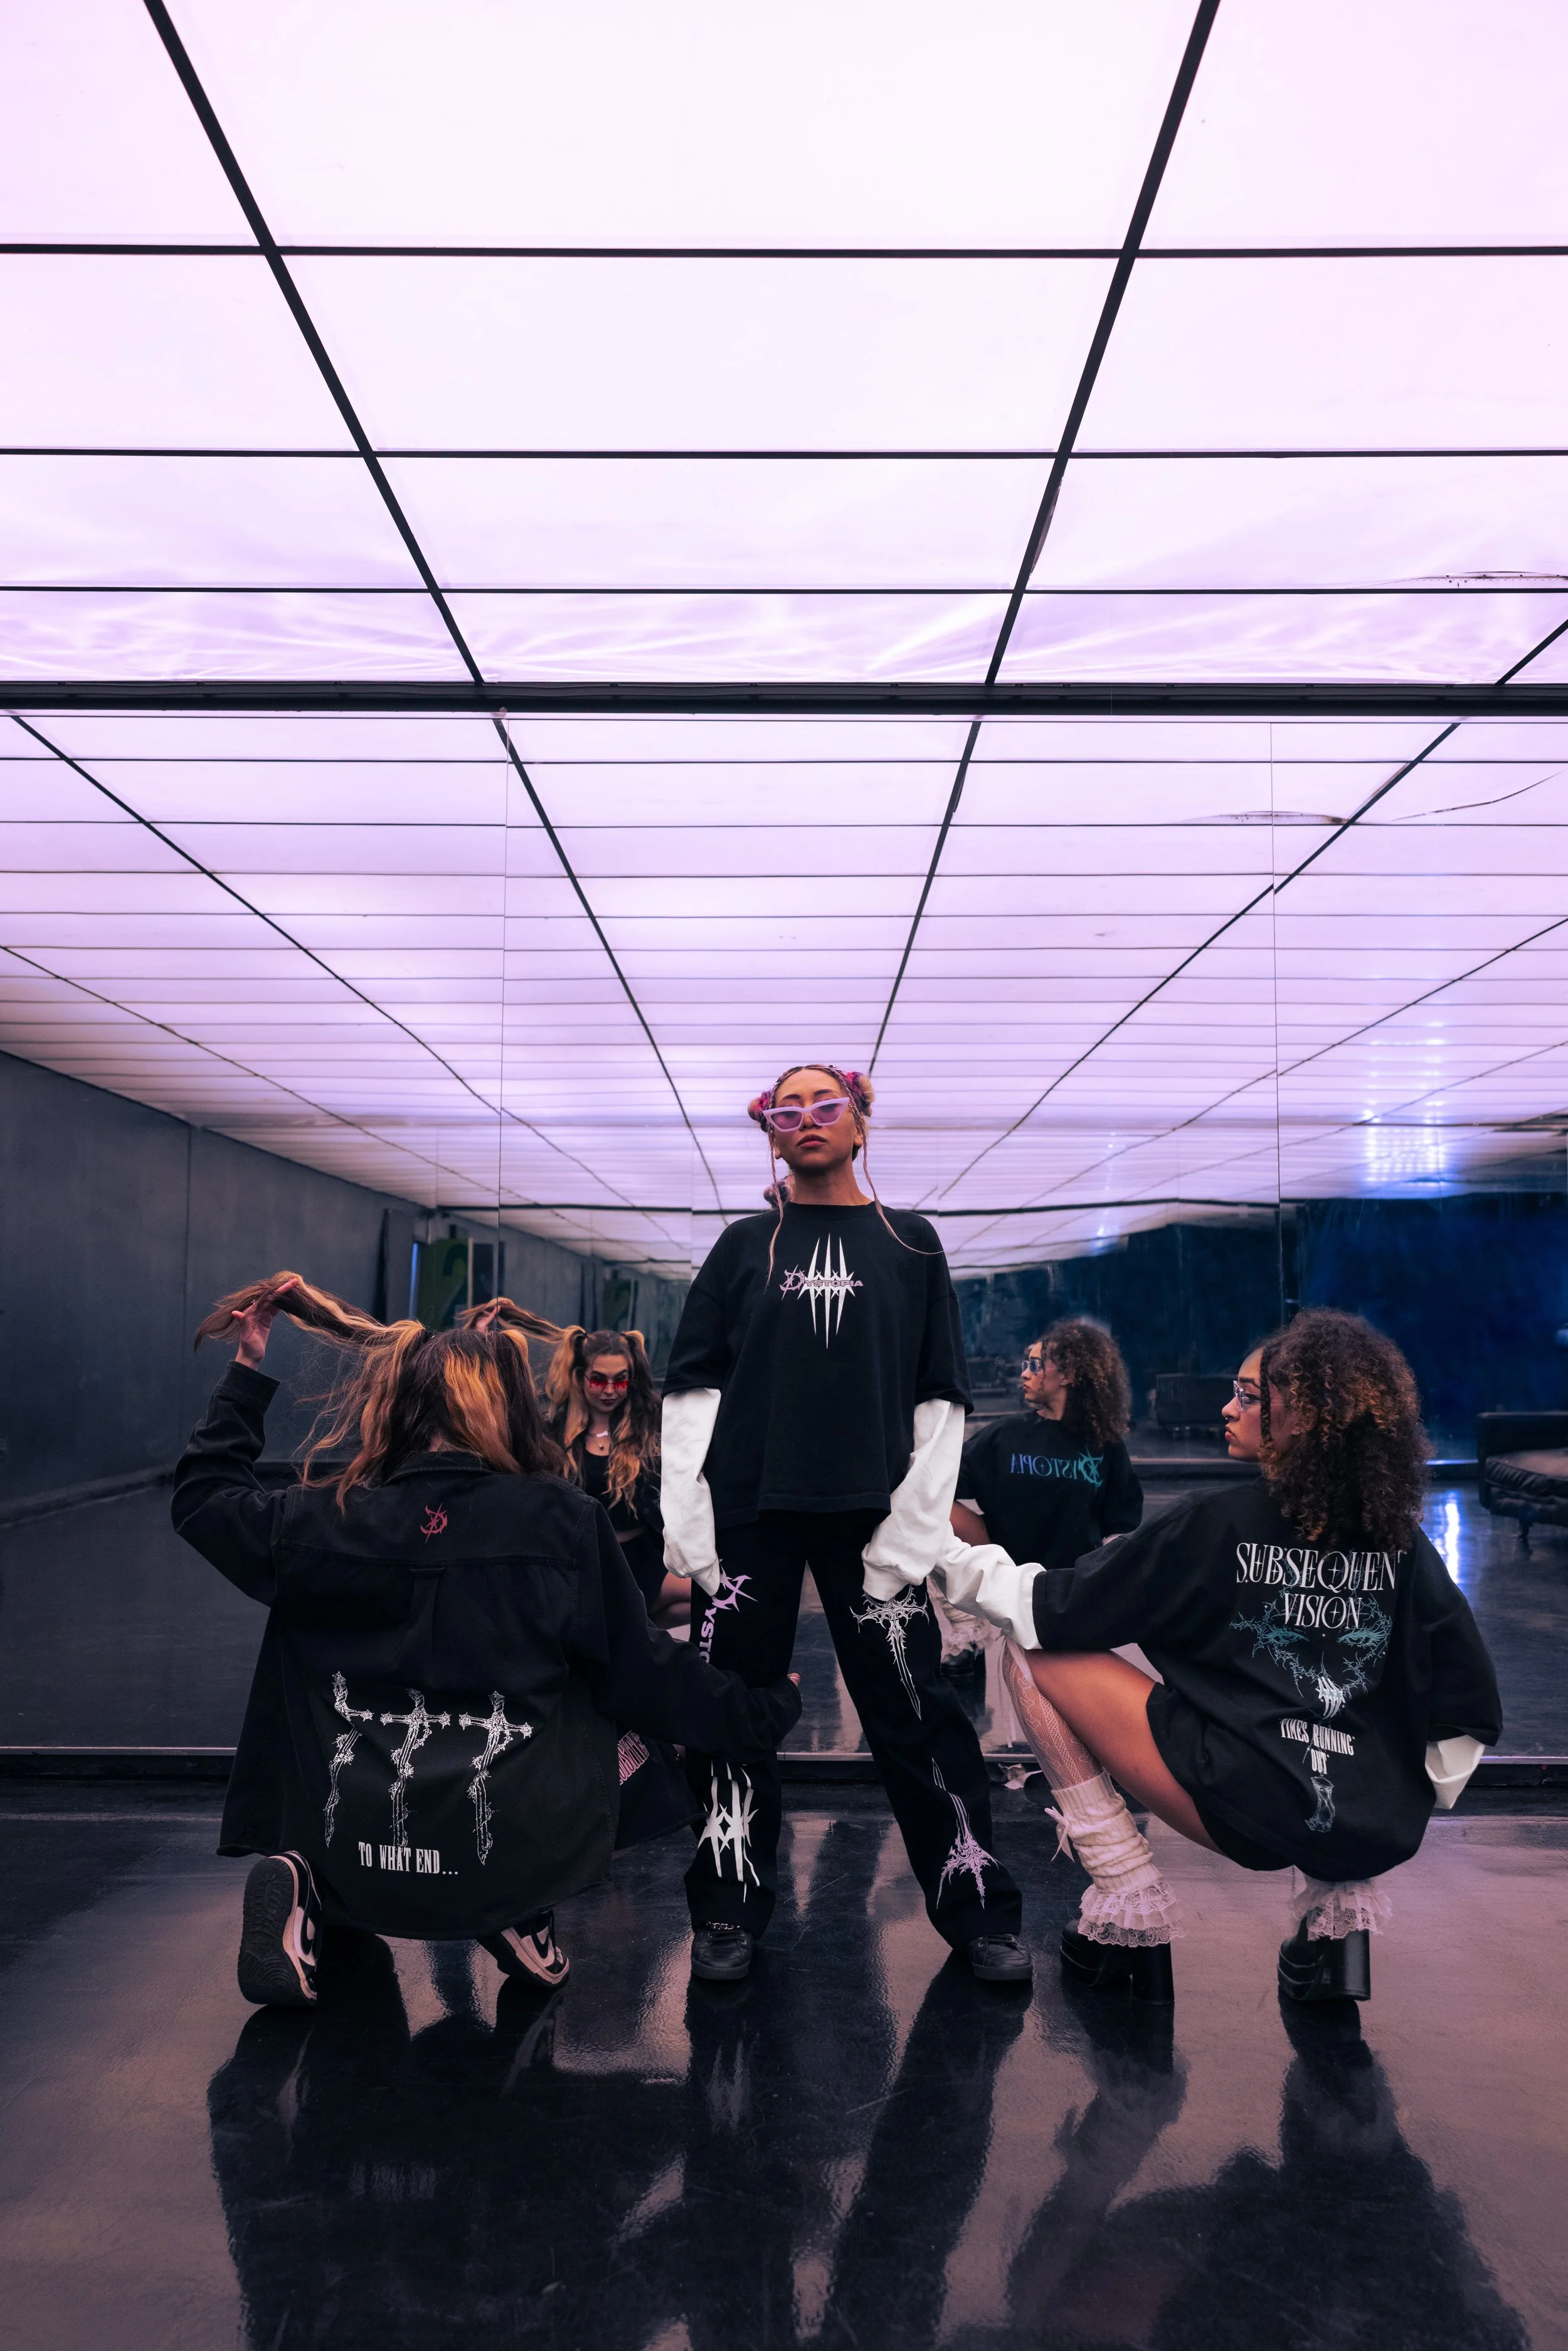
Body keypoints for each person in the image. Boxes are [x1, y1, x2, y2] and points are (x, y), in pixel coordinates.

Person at [171, 1273, 801, 2010]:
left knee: (333, 1719)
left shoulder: (325, 1517)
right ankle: (516, 1902)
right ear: (509, 1406)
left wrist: (247, 1371)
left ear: (401, 1405)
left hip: (352, 1809)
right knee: (626, 1726)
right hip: (500, 1818)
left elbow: (204, 1500)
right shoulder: (559, 1520)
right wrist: (762, 1711)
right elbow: (646, 1676)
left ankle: (315, 1885)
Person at [950, 1309, 1500, 2006]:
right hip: (1373, 1823)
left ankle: (1129, 1900)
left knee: (1031, 1653)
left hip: (1240, 1808)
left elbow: (1047, 1610)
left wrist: (941, 1555)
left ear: (1301, 1413)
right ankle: (1335, 1931)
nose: (1226, 1406)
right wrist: (1397, 1789)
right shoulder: (1403, 1546)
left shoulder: (1212, 1524)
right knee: (1347, 1698)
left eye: (1246, 1394)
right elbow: (1466, 1705)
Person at [660, 1060, 1029, 1985]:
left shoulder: (911, 1245)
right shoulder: (745, 1246)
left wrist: (911, 1533)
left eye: (827, 1105)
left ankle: (978, 1906)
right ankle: (728, 1910)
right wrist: (688, 1521)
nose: (808, 1120)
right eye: (789, 1110)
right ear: (770, 1132)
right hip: (748, 1520)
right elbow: (693, 1385)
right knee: (733, 1717)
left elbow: (943, 1399)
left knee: (915, 1715)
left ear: (861, 1122)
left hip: (872, 1524)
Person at [952, 1317, 1143, 1568]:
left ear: (1068, 1375)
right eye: (1026, 1364)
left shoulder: (1104, 1443)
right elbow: (940, 1488)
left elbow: (1122, 1526)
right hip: (1008, 1589)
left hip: (1073, 1592)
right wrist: (984, 1549)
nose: (1024, 1373)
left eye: (1035, 1365)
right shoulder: (1005, 1435)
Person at [545, 1326, 686, 1620]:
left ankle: (644, 1633)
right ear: (580, 1377)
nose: (610, 1390)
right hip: (589, 1564)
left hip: (645, 1559)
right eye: (598, 1380)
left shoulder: (650, 1424)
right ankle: (639, 1633)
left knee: (719, 1598)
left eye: (620, 1380)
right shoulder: (555, 1431)